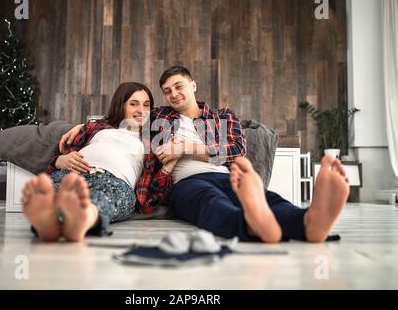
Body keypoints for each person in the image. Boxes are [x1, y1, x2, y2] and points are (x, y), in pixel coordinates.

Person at [62, 66, 350, 243]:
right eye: (167, 91)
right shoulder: (159, 117)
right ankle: (252, 225)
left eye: (179, 86)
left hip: (225, 174)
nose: (173, 94)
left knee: (267, 198)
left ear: (192, 85)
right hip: (186, 182)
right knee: (210, 203)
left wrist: (186, 148)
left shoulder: (221, 117)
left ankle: (310, 222)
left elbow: (236, 150)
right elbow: (123, 118)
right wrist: (84, 126)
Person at [21, 82, 177, 242]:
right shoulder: (96, 127)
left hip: (115, 181)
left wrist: (169, 166)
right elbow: (67, 151)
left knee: (102, 199)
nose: (141, 110)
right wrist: (61, 160)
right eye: (133, 104)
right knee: (58, 186)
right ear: (120, 105)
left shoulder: (153, 140)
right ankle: (52, 217)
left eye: (146, 105)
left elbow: (152, 196)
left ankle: (80, 219)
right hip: (74, 172)